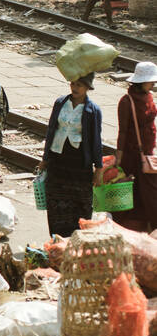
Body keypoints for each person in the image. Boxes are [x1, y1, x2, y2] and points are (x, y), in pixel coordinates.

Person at [41, 74, 106, 238]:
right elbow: (51, 130)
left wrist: (98, 168)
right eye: (73, 84)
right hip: (58, 163)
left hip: (80, 166)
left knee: (81, 206)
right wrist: (45, 158)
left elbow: (96, 140)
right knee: (55, 205)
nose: (75, 88)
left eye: (80, 85)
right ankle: (58, 242)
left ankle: (77, 242)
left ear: (87, 88)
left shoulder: (93, 110)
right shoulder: (60, 103)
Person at [114, 62, 157, 232]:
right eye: (150, 81)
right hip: (132, 156)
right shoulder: (126, 101)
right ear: (141, 82)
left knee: (148, 195)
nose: (153, 84)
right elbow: (122, 131)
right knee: (135, 195)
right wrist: (118, 156)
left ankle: (147, 230)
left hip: (147, 155)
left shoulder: (149, 97)